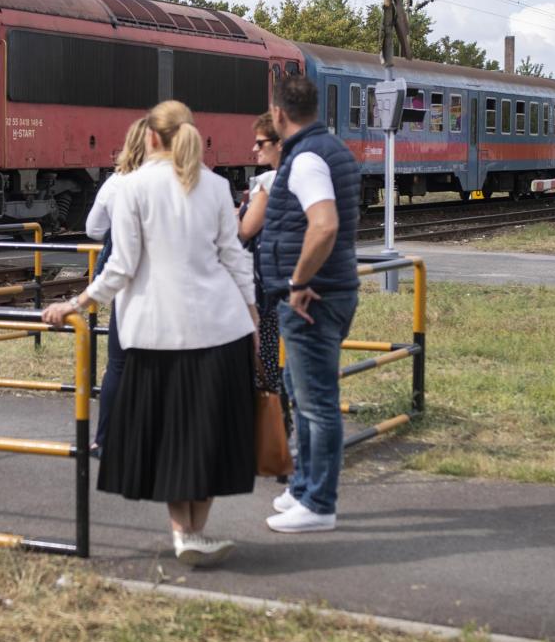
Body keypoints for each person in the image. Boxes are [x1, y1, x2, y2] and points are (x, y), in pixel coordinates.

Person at [43, 101, 257, 567]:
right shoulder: (217, 186)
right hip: (222, 329)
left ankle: (183, 532)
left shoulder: (129, 188)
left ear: (151, 138)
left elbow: (119, 268)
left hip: (153, 333)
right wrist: (254, 316)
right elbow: (236, 258)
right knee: (209, 438)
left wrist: (75, 304)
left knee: (167, 437)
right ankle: (195, 533)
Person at [260, 73, 361, 534]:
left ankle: (319, 503)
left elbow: (323, 225)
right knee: (301, 393)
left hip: (311, 299)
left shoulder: (305, 160)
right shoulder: (330, 149)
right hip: (327, 292)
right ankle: (302, 489)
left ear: (279, 115)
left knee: (316, 402)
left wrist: (298, 279)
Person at [83, 117, 149, 457]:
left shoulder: (116, 183)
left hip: (125, 288)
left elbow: (94, 229)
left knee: (119, 365)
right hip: (165, 288)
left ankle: (105, 439)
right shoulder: (180, 182)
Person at [237, 113, 289, 447]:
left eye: (261, 143)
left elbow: (245, 230)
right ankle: (279, 433)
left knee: (263, 357)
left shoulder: (269, 183)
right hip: (288, 278)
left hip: (265, 281)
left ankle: (267, 438)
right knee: (278, 358)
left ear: (279, 144)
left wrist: (239, 211)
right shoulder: (302, 175)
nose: (254, 148)